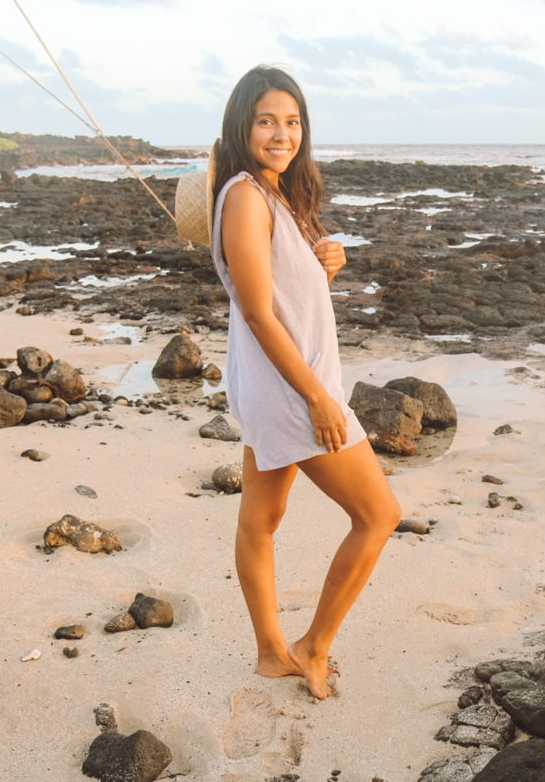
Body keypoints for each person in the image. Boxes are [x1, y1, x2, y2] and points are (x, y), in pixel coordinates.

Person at [207, 65, 401, 700]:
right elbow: (259, 312)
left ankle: (271, 653)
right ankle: (312, 647)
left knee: (262, 519)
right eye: (267, 121)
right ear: (243, 126)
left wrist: (325, 266)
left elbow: (281, 295)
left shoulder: (273, 196)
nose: (281, 134)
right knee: (378, 514)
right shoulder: (242, 194)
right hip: (293, 390)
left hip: (278, 385)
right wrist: (319, 397)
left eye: (292, 122)